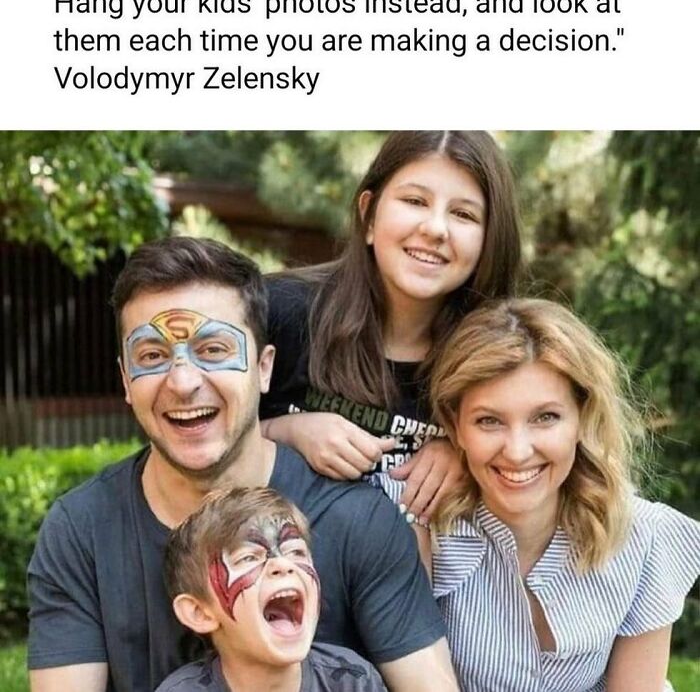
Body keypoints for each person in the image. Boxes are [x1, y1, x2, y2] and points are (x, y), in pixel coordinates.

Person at [27, 237, 456, 692]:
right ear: (126, 381)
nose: (184, 382)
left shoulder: (357, 520)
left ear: (264, 368)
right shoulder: (81, 531)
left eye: (213, 350)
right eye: (152, 356)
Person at [378, 298, 700, 692]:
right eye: (489, 421)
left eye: (545, 417)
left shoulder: (645, 538)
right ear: (454, 425)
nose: (517, 451)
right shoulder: (416, 517)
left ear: (582, 416)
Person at [260, 130, 521, 523]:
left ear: (490, 239)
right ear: (368, 214)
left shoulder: (500, 355)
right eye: (415, 201)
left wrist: (468, 452)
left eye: (463, 214)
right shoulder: (280, 310)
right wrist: (287, 431)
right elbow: (198, 437)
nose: (436, 229)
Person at [156, 486, 387, 692]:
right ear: (199, 612)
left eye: (295, 551)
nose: (282, 564)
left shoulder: (352, 680)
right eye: (247, 558)